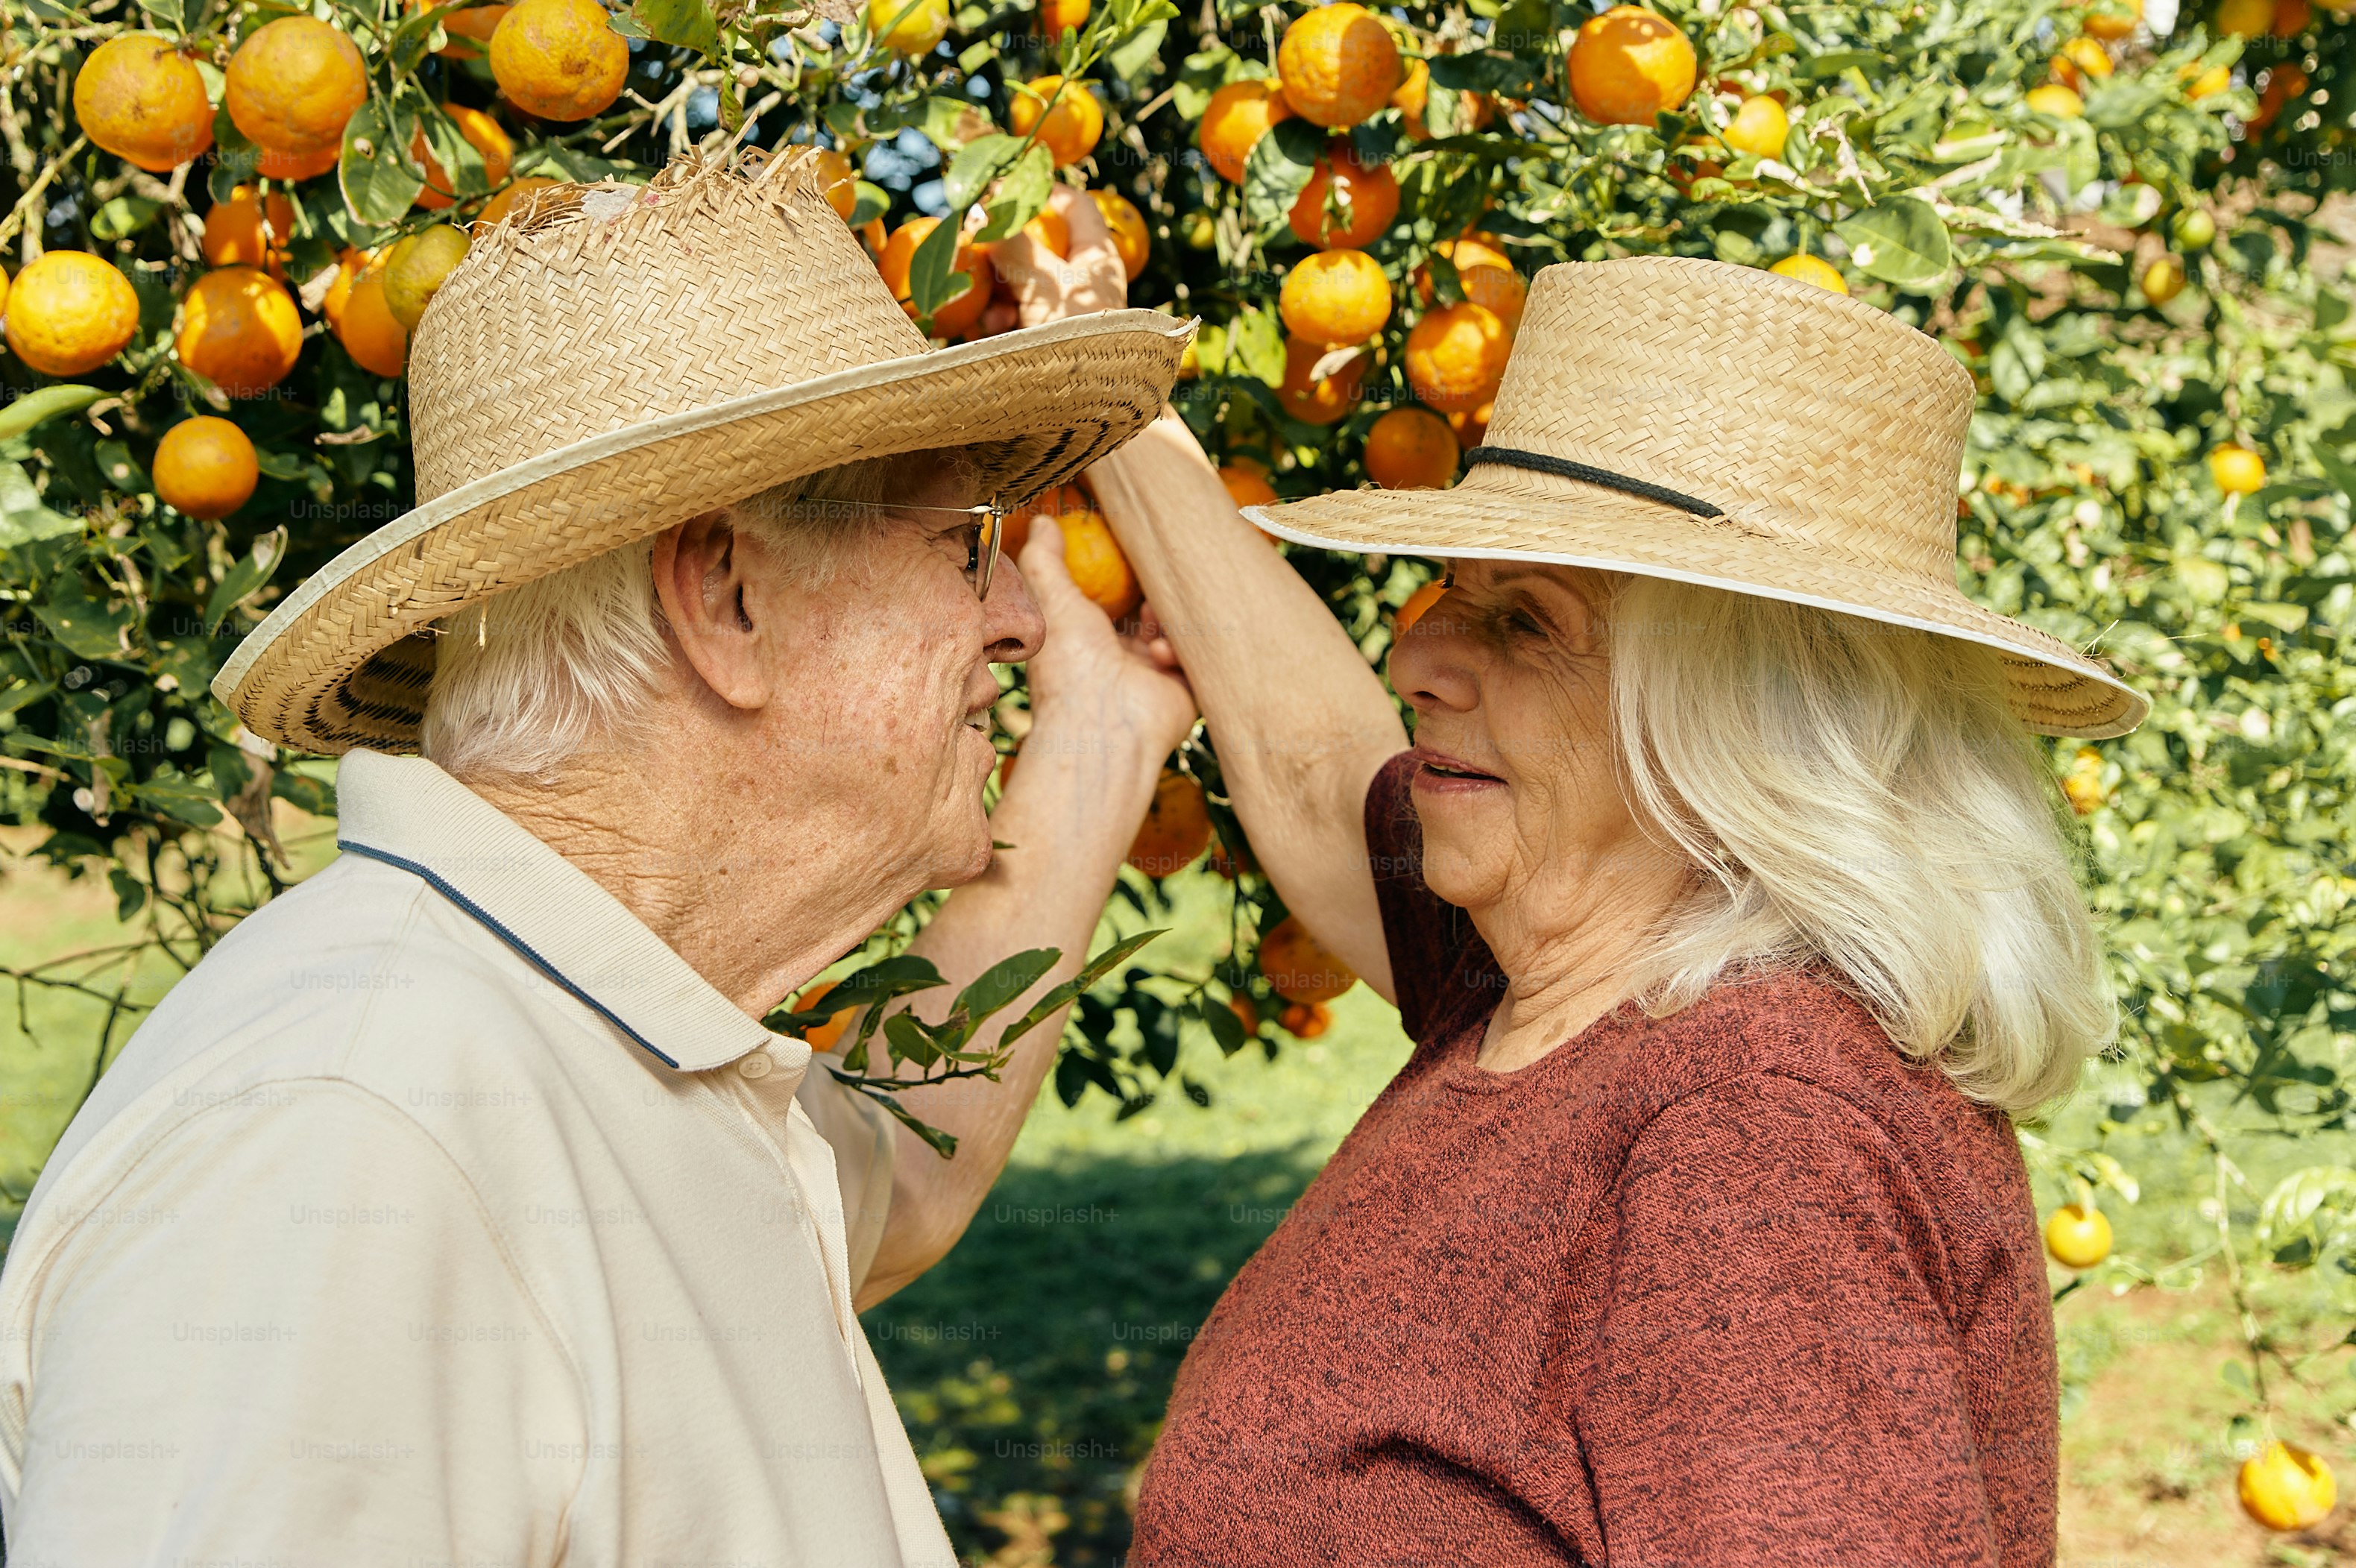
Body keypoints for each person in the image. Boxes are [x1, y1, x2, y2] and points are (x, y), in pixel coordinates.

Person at [0, 154, 1191, 1565]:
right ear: (726, 595)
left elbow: (895, 1168)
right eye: (966, 543)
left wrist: (1099, 743)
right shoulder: (346, 1146)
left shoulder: (589, 1032)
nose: (1023, 622)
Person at [1090, 256, 2147, 1566]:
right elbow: (1314, 777)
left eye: (1523, 623)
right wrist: (1101, 372)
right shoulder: (1554, 989)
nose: (1416, 655)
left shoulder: (1753, 1143)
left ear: (1740, 723)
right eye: (1447, 594)